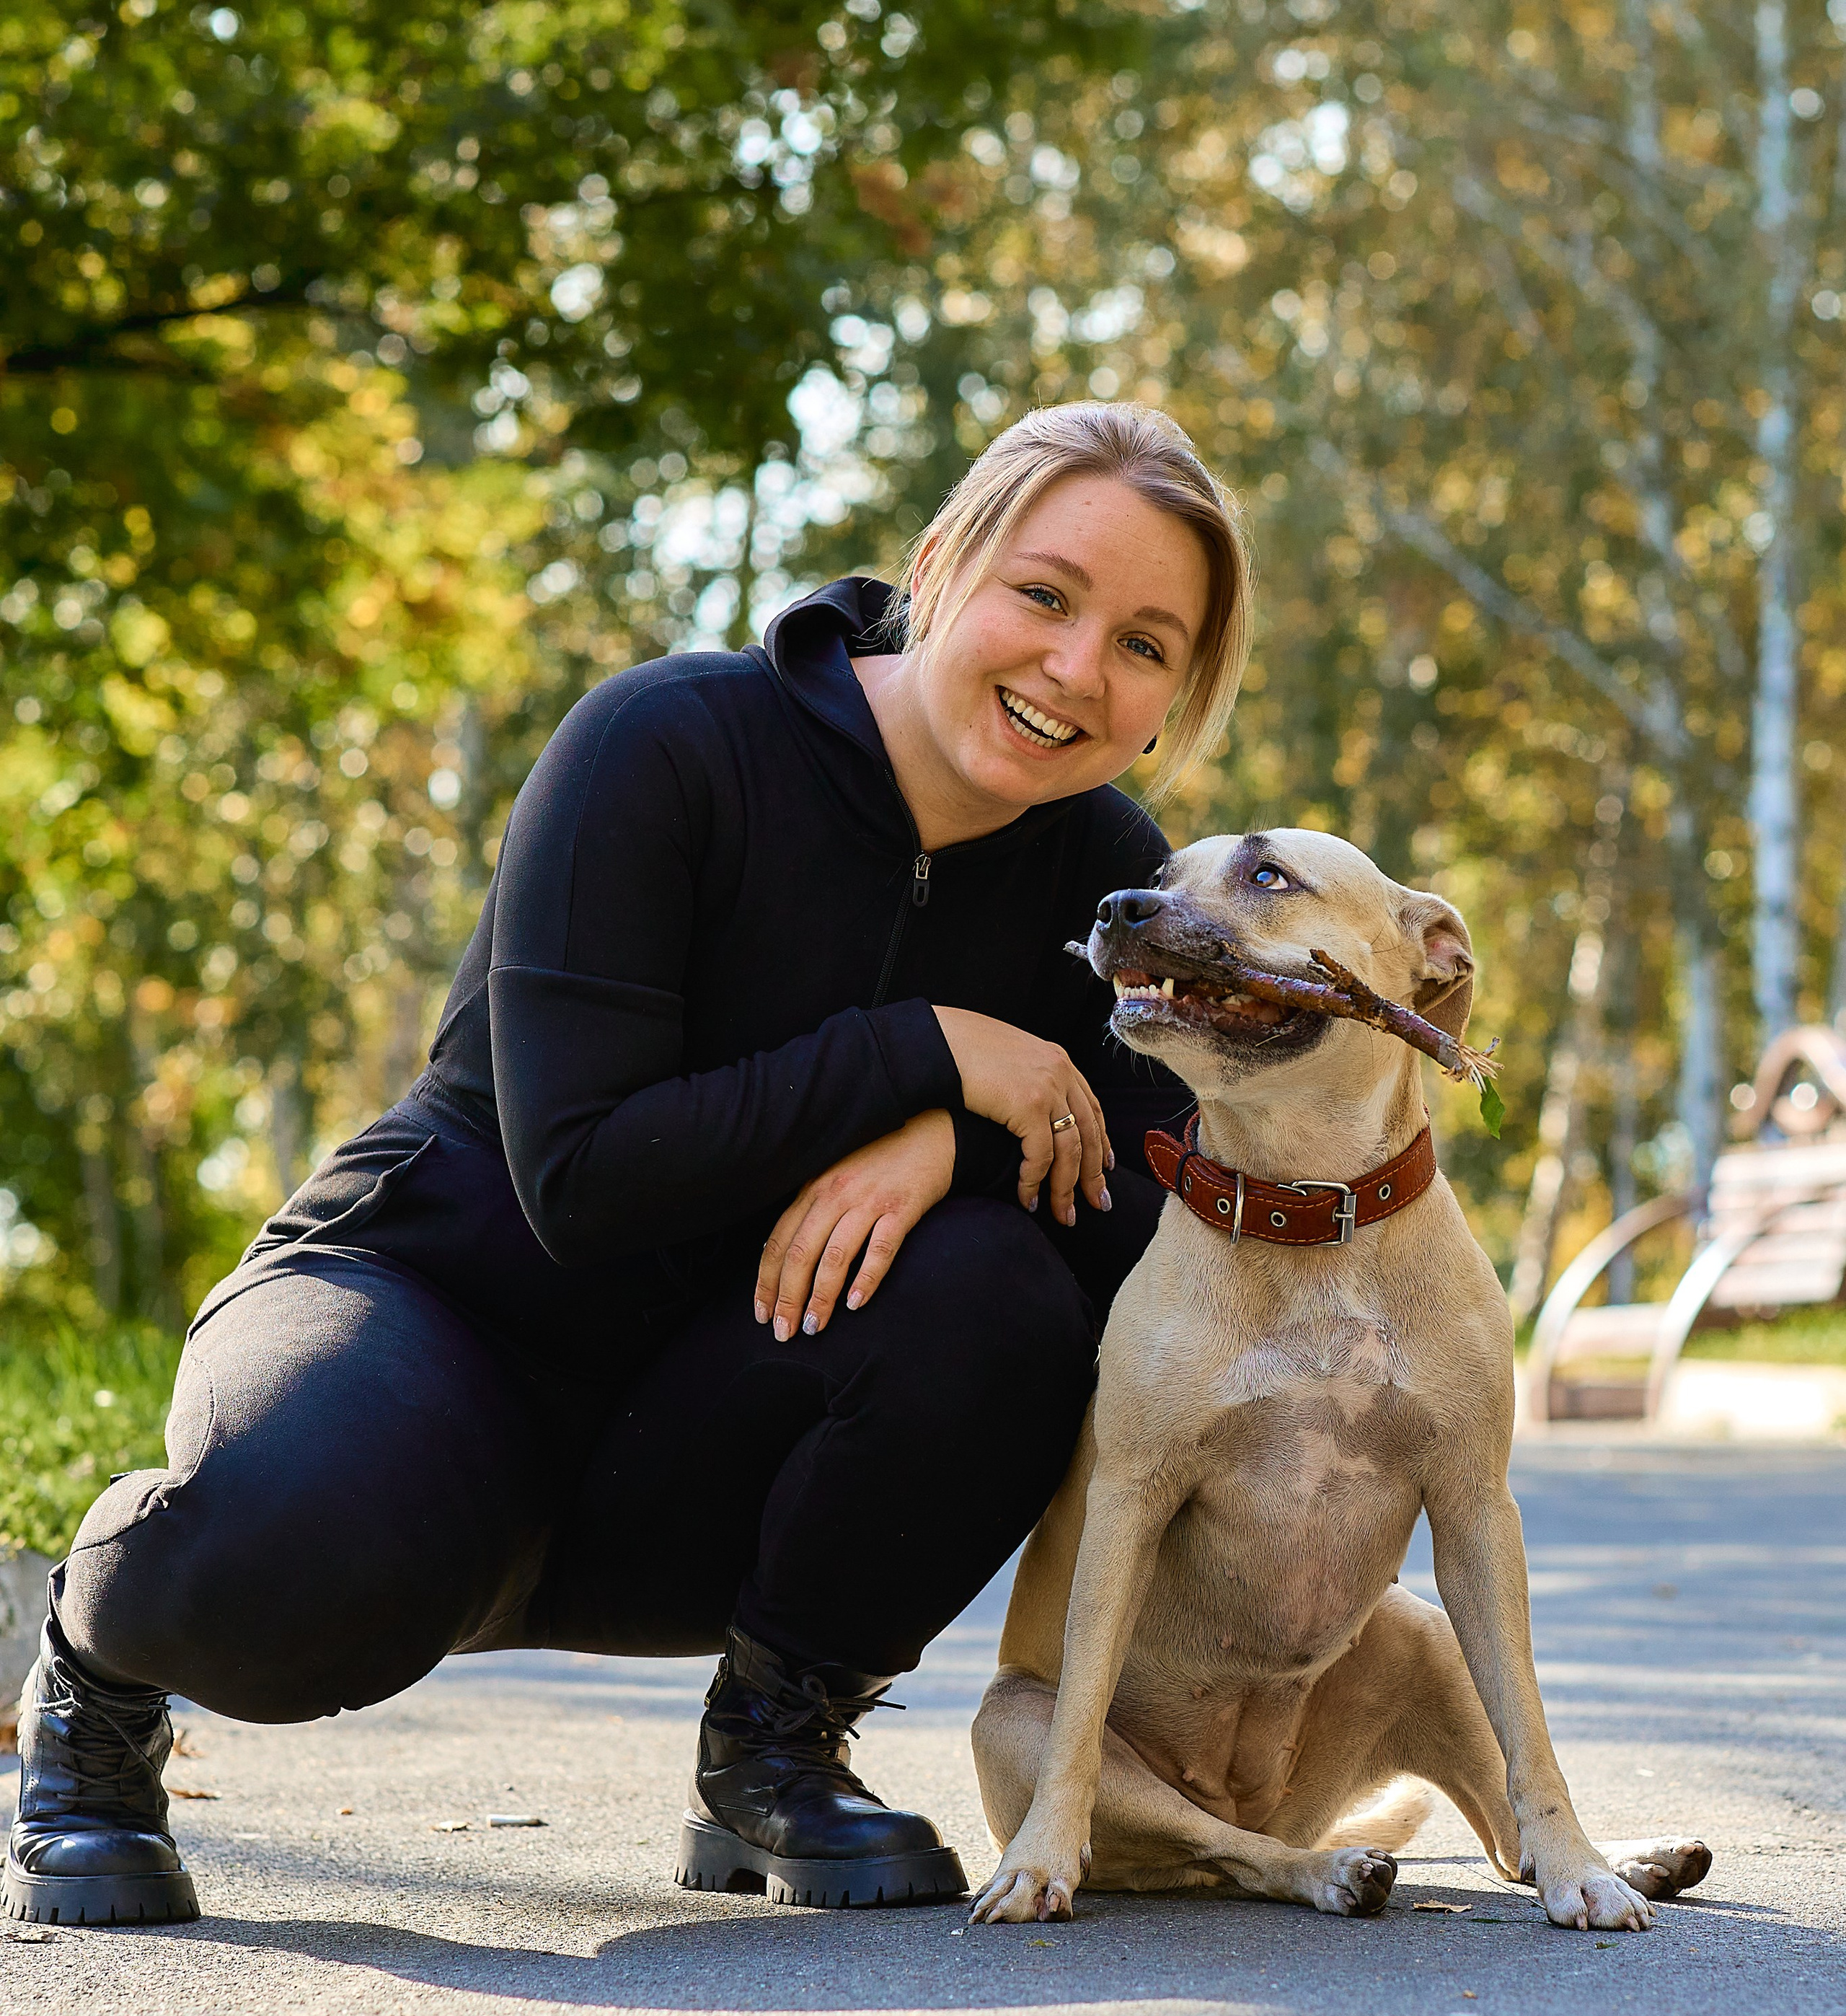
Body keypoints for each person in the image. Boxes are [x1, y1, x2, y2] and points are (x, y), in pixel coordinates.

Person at [4, 401, 1253, 1926]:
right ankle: (95, 1669)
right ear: (938, 565)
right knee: (288, 1556)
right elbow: (583, 1176)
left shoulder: (1110, 884)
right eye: (1042, 594)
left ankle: (773, 1749)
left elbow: (1154, 1236)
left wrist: (952, 1146)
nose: (1074, 668)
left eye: (1143, 644)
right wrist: (920, 1053)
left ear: (1174, 695)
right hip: (440, 1315)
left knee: (1002, 1296)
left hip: (713, 1440)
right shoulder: (667, 743)